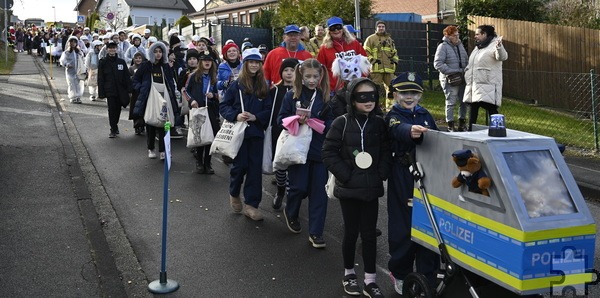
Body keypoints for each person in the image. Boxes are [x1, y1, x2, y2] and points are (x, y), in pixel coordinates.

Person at [322, 77, 391, 297]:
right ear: (352, 99)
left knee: (369, 235)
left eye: (372, 96)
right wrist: (346, 176)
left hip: (371, 188)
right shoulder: (341, 123)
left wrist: (381, 173)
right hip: (349, 189)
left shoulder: (380, 123)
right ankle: (349, 274)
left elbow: (387, 150)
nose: (368, 101)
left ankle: (371, 280)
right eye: (362, 97)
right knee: (351, 233)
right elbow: (328, 151)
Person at [384, 72, 439, 295]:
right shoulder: (393, 116)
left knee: (428, 221)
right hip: (403, 174)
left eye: (414, 93)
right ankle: (400, 272)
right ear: (395, 94)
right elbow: (399, 129)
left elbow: (437, 138)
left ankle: (429, 273)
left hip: (428, 174)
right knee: (403, 223)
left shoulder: (425, 114)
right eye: (405, 92)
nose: (410, 97)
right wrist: (411, 131)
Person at [277, 58, 334, 248]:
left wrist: (320, 124)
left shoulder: (325, 97)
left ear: (321, 76)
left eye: (315, 76)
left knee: (319, 193)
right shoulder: (291, 96)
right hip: (297, 150)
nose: (311, 80)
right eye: (308, 76)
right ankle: (291, 211)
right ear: (300, 75)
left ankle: (316, 232)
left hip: (319, 151)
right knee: (299, 187)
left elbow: (332, 125)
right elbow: (280, 120)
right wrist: (296, 120)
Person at [220, 48, 272, 221]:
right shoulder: (236, 85)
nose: (254, 65)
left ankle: (251, 205)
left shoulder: (264, 85)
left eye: (257, 62)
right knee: (239, 167)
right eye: (251, 62)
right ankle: (234, 192)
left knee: (254, 170)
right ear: (245, 63)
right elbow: (224, 106)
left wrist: (257, 117)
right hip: (239, 134)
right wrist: (236, 115)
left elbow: (268, 110)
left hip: (256, 133)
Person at [132, 41, 179, 160]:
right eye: (155, 51)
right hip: (150, 98)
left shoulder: (166, 66)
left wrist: (173, 95)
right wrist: (141, 88)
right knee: (151, 124)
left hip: (164, 98)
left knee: (164, 124)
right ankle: (151, 148)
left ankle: (163, 150)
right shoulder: (146, 65)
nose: (158, 54)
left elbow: (171, 83)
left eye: (160, 51)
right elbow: (135, 80)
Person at [464, 24, 508, 131]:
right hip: (474, 84)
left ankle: (498, 131)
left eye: (477, 34)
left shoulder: (494, 45)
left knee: (491, 108)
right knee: (473, 107)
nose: (475, 36)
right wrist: (467, 71)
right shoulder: (478, 47)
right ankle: (470, 131)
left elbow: (502, 57)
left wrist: (499, 47)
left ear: (485, 34)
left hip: (488, 84)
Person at [269, 58, 299, 210]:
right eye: (286, 70)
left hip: (297, 132)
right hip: (278, 131)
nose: (289, 73)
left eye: (292, 70)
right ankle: (280, 191)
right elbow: (269, 110)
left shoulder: (301, 91)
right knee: (280, 164)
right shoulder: (274, 90)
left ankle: (291, 195)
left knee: (293, 164)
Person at [184, 50, 220, 174]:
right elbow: (185, 91)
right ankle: (199, 161)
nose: (207, 62)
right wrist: (192, 101)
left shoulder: (215, 77)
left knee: (210, 136)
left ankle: (207, 163)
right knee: (199, 136)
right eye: (205, 60)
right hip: (198, 109)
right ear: (200, 62)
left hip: (211, 110)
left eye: (209, 60)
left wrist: (213, 95)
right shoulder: (193, 75)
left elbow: (219, 95)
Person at [317, 16, 367, 94]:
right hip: (335, 89)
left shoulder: (354, 43)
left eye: (338, 27)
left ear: (343, 29)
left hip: (356, 86)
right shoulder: (324, 48)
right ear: (329, 31)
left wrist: (363, 81)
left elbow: (364, 63)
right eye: (333, 28)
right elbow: (320, 69)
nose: (336, 30)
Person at [434, 25, 469, 132]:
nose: (457, 37)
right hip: (450, 79)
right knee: (451, 102)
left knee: (464, 101)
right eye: (454, 35)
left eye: (458, 35)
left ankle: (462, 123)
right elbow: (438, 64)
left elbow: (466, 60)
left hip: (462, 78)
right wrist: (453, 71)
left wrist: (465, 70)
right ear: (447, 36)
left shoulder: (460, 45)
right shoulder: (443, 46)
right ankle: (450, 125)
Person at [97, 41, 133, 138]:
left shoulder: (121, 62)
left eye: (114, 48)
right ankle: (112, 128)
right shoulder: (103, 62)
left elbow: (126, 76)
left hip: (120, 90)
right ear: (107, 49)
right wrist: (101, 92)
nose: (112, 50)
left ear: (116, 49)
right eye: (110, 48)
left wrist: (129, 89)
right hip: (109, 90)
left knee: (118, 109)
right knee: (111, 109)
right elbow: (100, 78)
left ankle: (115, 125)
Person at [363, 20, 399, 110]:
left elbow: (395, 53)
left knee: (392, 89)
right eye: (379, 26)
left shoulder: (390, 40)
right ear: (376, 28)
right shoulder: (370, 39)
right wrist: (372, 60)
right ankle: (375, 109)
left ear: (385, 28)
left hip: (389, 69)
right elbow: (365, 51)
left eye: (383, 26)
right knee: (375, 90)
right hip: (376, 69)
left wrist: (394, 62)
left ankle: (390, 109)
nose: (381, 28)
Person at [59, 36, 85, 104]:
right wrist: (67, 64)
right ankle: (73, 97)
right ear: (69, 43)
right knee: (71, 84)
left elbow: (83, 60)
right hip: (70, 71)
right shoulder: (66, 52)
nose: (73, 43)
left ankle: (78, 97)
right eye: (71, 42)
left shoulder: (79, 52)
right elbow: (62, 60)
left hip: (79, 71)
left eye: (74, 42)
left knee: (79, 84)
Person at [128, 51, 147, 135]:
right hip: (135, 93)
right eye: (136, 58)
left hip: (143, 91)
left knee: (143, 108)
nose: (138, 60)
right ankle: (136, 126)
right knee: (135, 109)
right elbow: (128, 80)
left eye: (140, 58)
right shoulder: (131, 68)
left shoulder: (146, 68)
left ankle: (142, 125)